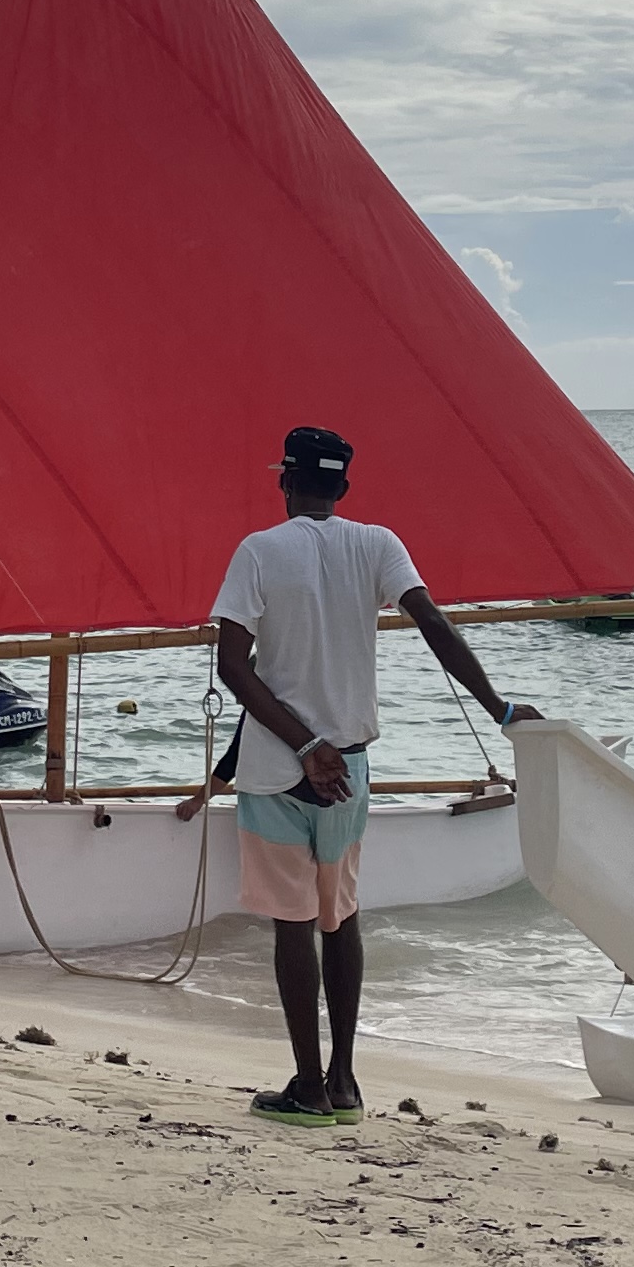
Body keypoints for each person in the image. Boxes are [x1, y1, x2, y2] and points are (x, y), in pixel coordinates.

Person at [210, 425, 536, 1129]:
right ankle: (347, 1081)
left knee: (291, 925)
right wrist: (500, 708)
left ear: (285, 483)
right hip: (350, 769)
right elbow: (436, 626)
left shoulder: (260, 551)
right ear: (345, 490)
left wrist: (303, 745)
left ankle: (307, 1087)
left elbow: (233, 666)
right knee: (342, 917)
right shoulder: (379, 544)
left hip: (278, 768)